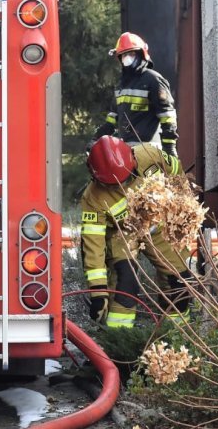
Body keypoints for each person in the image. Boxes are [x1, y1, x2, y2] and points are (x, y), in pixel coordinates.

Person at [79, 135, 193, 329]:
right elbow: (93, 246)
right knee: (126, 284)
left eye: (125, 179)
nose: (121, 186)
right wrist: (98, 291)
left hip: (156, 225)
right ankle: (118, 348)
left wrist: (182, 205)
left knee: (179, 281)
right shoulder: (93, 198)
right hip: (121, 235)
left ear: (133, 160)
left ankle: (175, 336)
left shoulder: (150, 155)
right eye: (113, 184)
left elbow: (176, 170)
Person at [93, 32, 178, 158]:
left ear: (141, 54)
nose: (126, 58)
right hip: (126, 153)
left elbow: (167, 116)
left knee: (149, 179)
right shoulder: (121, 85)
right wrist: (96, 140)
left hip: (149, 152)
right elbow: (112, 119)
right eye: (123, 55)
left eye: (131, 54)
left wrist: (169, 148)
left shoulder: (152, 80)